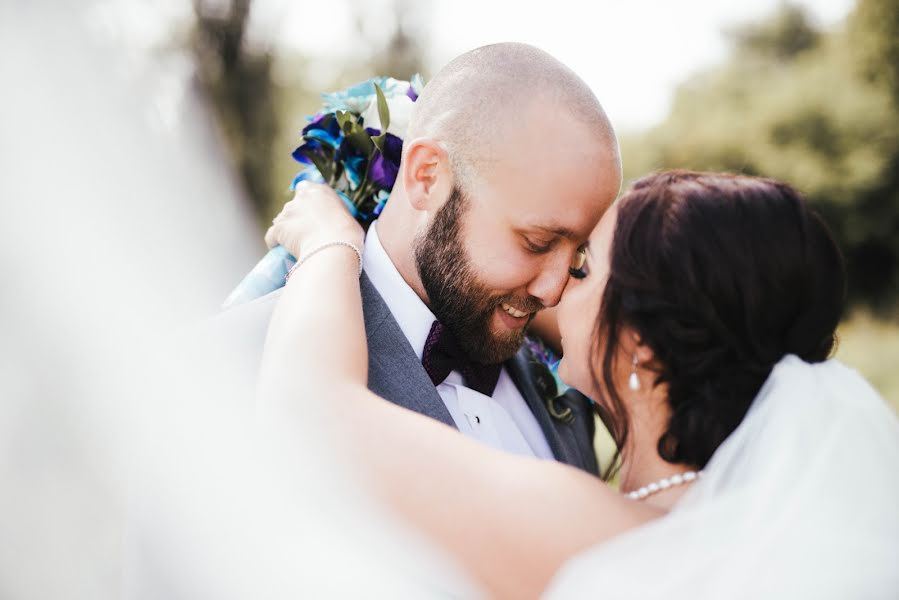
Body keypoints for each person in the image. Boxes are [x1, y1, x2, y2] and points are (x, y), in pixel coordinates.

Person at [258, 171, 899, 599]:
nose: (556, 287)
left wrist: (331, 242)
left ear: (642, 343)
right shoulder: (760, 531)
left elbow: (315, 410)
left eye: (585, 268)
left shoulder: (607, 533)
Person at [214, 42, 622, 473]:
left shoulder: (567, 383)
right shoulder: (234, 366)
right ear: (427, 177)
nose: (554, 290)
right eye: (536, 242)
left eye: (577, 255)